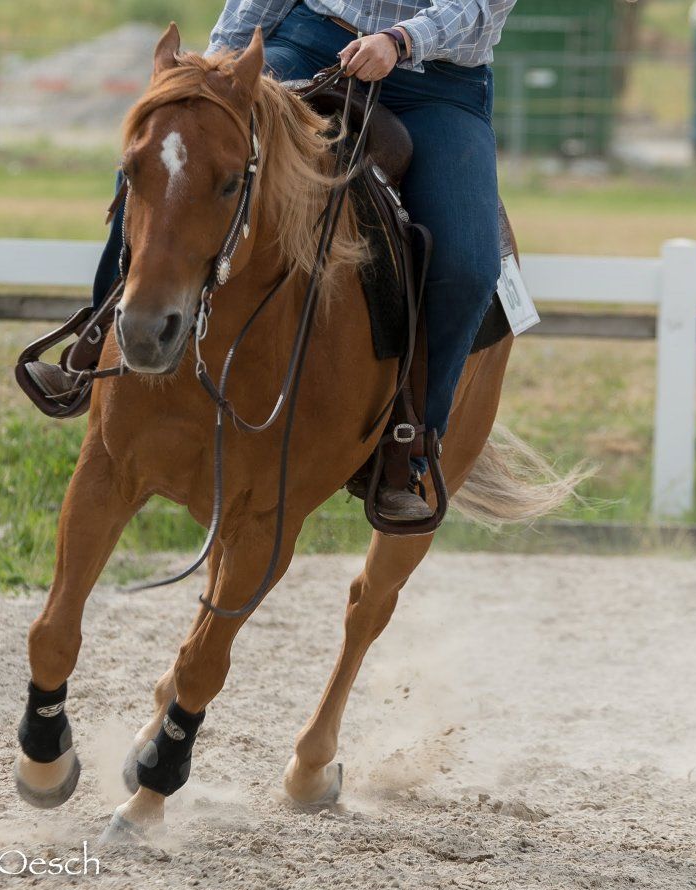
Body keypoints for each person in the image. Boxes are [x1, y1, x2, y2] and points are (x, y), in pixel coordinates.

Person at [81, 0, 514, 521]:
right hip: (309, 42)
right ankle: (97, 339)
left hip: (439, 83)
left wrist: (400, 42)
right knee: (172, 140)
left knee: (468, 267)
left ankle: (410, 444)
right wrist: (219, 62)